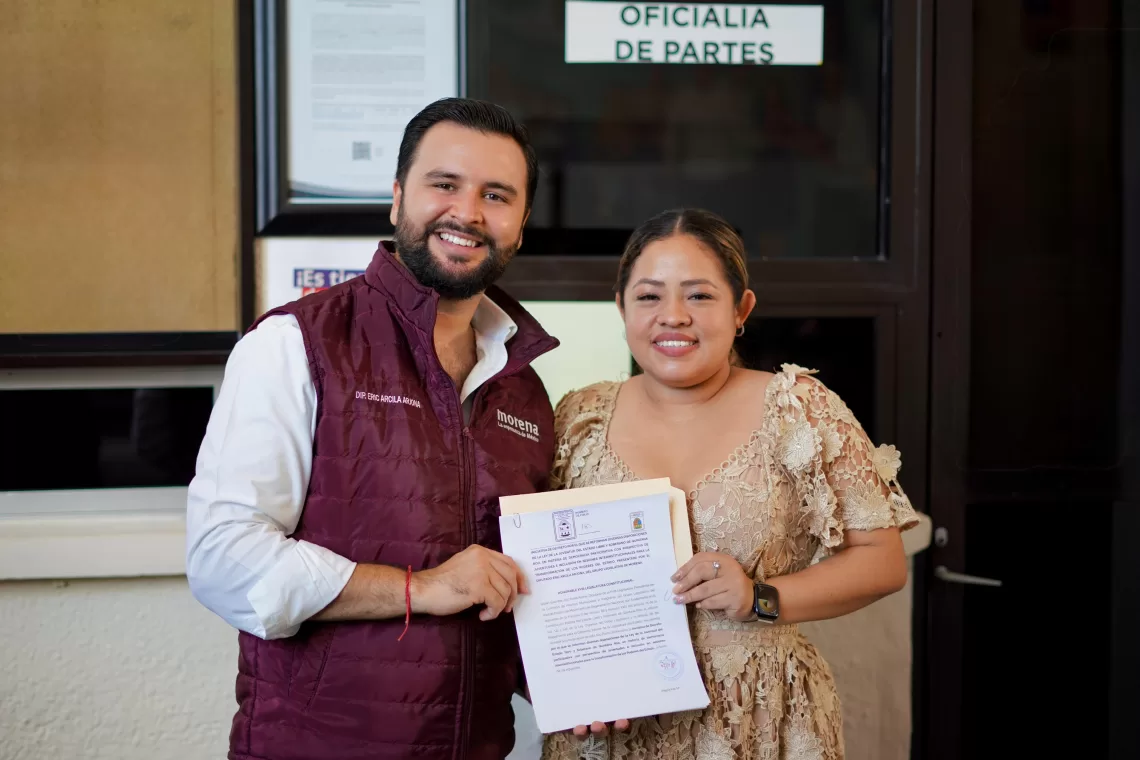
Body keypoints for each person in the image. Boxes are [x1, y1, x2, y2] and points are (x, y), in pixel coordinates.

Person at [185, 98, 559, 760]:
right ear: (396, 199)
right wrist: (422, 589)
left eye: (496, 195)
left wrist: (589, 686)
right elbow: (224, 560)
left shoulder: (522, 389)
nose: (468, 212)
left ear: (521, 225)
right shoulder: (295, 343)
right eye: (444, 184)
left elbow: (514, 590)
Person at [544, 208, 916, 760]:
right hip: (612, 723)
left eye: (698, 296)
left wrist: (760, 597)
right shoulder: (580, 416)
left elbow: (883, 562)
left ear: (741, 309)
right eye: (648, 297)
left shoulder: (797, 409)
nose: (673, 316)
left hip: (759, 717)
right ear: (620, 306)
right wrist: (563, 679)